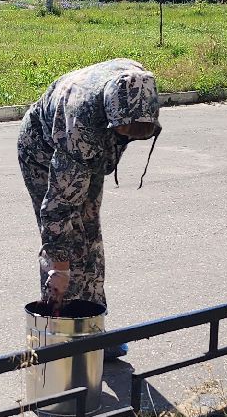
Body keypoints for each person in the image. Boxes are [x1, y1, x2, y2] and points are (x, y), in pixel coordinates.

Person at [16, 58, 162, 337]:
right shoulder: (80, 122)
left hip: (88, 147)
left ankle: (93, 330)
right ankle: (59, 331)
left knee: (90, 233)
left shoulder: (139, 84)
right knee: (66, 240)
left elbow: (117, 138)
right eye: (124, 131)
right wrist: (60, 268)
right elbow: (57, 209)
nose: (126, 139)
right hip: (42, 152)